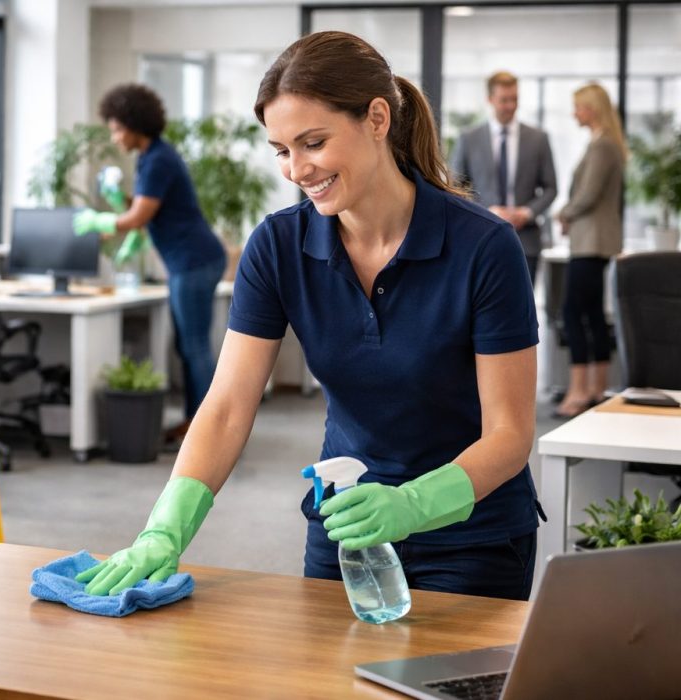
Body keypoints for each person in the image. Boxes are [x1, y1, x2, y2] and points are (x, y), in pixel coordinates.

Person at [77, 31, 542, 602]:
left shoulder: (483, 246)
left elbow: (510, 433)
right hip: (344, 529)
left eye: (313, 142)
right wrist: (163, 529)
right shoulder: (278, 247)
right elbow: (225, 409)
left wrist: (414, 504)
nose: (295, 169)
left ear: (377, 119)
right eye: (280, 149)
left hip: (474, 535)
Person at [73, 84, 227, 444]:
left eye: (116, 129)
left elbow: (140, 215)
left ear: (133, 124)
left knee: (194, 346)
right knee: (188, 345)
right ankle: (197, 422)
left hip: (194, 261)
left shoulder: (159, 159)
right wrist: (119, 200)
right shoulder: (151, 157)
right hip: (187, 262)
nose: (114, 137)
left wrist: (101, 221)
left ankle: (205, 431)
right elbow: (144, 203)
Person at [552, 83, 626, 419]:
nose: (575, 113)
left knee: (573, 312)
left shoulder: (602, 147)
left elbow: (588, 195)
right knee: (593, 314)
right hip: (592, 241)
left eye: (579, 107)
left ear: (592, 109)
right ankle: (597, 389)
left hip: (590, 242)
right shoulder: (605, 145)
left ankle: (580, 391)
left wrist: (562, 213)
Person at [451, 71, 557, 286]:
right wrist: (486, 211)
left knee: (524, 311)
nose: (510, 106)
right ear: (490, 100)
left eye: (514, 99)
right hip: (480, 239)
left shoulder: (538, 139)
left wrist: (526, 212)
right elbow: (455, 188)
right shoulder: (469, 138)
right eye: (504, 100)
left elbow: (551, 188)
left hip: (526, 241)